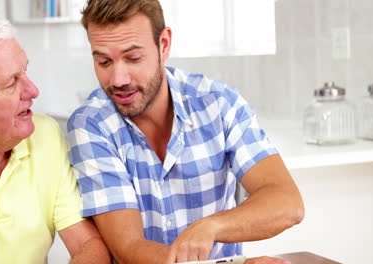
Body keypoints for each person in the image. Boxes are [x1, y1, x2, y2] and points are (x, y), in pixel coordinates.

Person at [67, 0, 305, 263]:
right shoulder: (91, 125)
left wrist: (211, 227)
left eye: (133, 58)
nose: (118, 79)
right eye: (104, 62)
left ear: (164, 44)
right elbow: (129, 247)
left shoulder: (218, 103)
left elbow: (287, 203)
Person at [0, 12, 111, 264]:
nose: (33, 90)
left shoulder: (45, 133)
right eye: (11, 83)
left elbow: (89, 244)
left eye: (24, 72)